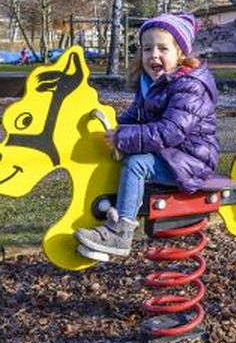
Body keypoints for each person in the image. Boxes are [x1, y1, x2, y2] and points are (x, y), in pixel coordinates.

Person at [76, 13, 220, 258]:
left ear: (181, 54)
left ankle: (121, 234)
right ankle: (112, 213)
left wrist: (124, 137)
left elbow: (171, 131)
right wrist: (111, 129)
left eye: (163, 48)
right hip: (170, 155)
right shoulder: (149, 84)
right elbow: (132, 118)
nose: (153, 55)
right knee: (120, 157)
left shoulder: (189, 86)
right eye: (147, 49)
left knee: (136, 164)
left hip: (192, 160)